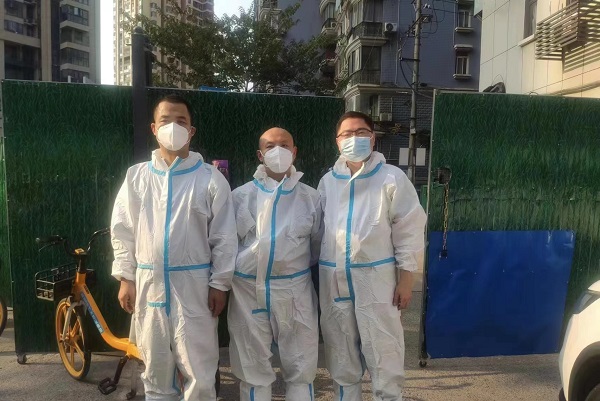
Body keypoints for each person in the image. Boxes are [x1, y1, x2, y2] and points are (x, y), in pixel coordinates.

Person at [111, 94, 237, 401]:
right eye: (166, 120)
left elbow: (224, 237)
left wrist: (219, 284)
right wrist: (126, 277)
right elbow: (123, 229)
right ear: (154, 128)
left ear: (191, 131)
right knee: (155, 373)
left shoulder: (209, 179)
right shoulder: (137, 176)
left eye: (181, 121)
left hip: (194, 290)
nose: (173, 127)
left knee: (200, 375)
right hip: (149, 286)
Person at [318, 111, 426, 401]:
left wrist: (406, 279)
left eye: (361, 132)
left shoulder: (391, 177)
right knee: (341, 355)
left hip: (377, 281)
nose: (354, 138)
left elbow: (409, 230)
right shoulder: (327, 181)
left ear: (373, 138)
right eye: (347, 134)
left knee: (384, 353)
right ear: (337, 141)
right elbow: (319, 232)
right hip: (334, 281)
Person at [228, 127, 322, 401]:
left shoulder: (310, 197)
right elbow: (227, 244)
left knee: (301, 368)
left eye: (284, 145)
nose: (277, 151)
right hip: (247, 291)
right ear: (260, 154)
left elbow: (317, 244)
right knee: (252, 369)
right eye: (270, 146)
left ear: (294, 152)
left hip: (295, 291)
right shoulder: (240, 196)